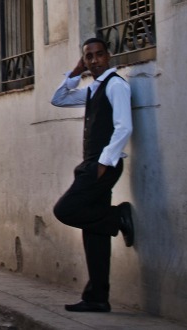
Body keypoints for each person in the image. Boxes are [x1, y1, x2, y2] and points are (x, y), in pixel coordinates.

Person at [51, 37, 135, 314]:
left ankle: (117, 216)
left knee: (65, 210)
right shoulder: (91, 89)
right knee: (94, 234)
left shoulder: (116, 85)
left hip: (101, 166)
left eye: (99, 55)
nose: (95, 60)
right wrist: (74, 74)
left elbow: (123, 127)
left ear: (108, 56)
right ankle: (97, 297)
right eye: (89, 57)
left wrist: (104, 162)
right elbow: (59, 99)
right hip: (93, 164)